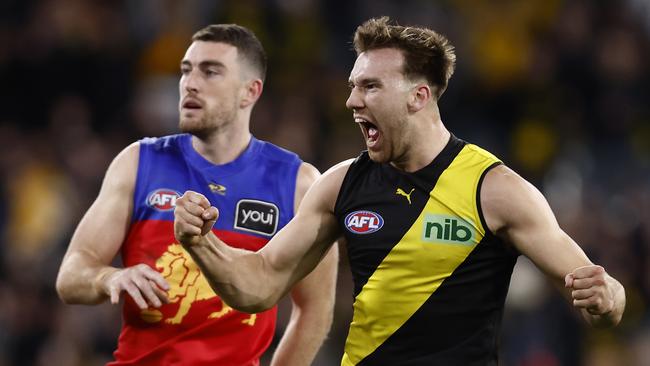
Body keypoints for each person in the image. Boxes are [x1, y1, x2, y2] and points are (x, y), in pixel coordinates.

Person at [173, 17, 626, 365]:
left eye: (369, 86)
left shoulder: (496, 189)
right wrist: (202, 243)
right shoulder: (341, 184)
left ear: (419, 97)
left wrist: (606, 299)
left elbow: (599, 296)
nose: (352, 101)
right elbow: (258, 285)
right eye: (353, 86)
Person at [55, 24, 338, 366]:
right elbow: (71, 274)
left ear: (250, 92)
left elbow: (314, 311)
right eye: (186, 70)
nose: (190, 83)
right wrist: (109, 276)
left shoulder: (298, 184)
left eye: (210, 72)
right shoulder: (138, 163)